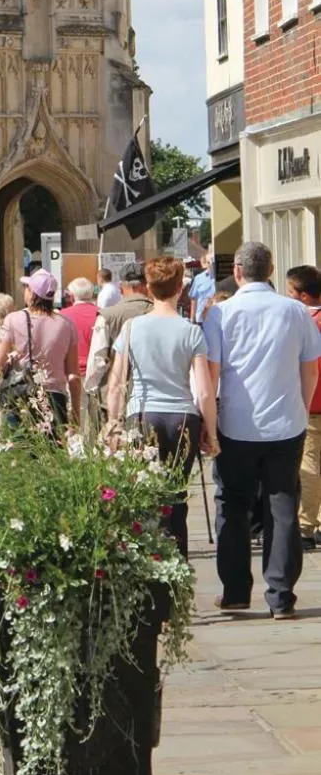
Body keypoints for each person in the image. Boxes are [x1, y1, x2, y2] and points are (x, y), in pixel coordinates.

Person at [205, 241, 321, 618]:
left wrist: (210, 420)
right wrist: (301, 409)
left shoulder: (221, 313)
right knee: (282, 505)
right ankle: (281, 595)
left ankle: (236, 591)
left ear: (237, 271)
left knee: (233, 505)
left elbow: (213, 373)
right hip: (286, 423)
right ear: (271, 270)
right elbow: (310, 368)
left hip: (237, 423)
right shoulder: (295, 311)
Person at [107, 257, 219, 559]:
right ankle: (177, 566)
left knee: (145, 495)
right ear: (179, 288)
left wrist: (113, 423)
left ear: (149, 287)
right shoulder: (190, 330)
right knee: (177, 497)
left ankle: (149, 562)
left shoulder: (132, 328)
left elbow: (116, 382)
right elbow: (205, 390)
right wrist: (211, 433)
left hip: (142, 414)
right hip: (182, 416)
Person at [0, 270, 82, 430]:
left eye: (27, 287)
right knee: (53, 451)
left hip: (20, 395)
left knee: (19, 451)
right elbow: (73, 374)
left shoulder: (13, 320)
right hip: (55, 397)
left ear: (32, 293)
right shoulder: (66, 324)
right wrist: (76, 414)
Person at [287, 264, 321, 549]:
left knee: (309, 466)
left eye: (290, 292)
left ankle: (307, 526)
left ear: (304, 297)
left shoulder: (303, 323)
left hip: (311, 404)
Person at [84, 261, 153, 404]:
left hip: (116, 397)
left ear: (121, 288)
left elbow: (97, 360)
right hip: (154, 397)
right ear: (147, 285)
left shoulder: (107, 316)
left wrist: (91, 391)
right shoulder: (160, 313)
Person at [61, 278, 98, 380]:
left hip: (71, 374)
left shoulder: (62, 315)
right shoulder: (103, 314)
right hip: (98, 374)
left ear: (71, 296)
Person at [189, 253, 217, 326]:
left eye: (213, 262)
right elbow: (194, 299)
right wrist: (192, 319)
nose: (211, 264)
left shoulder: (220, 278)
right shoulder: (198, 278)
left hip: (217, 317)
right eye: (209, 262)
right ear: (206, 264)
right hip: (201, 319)